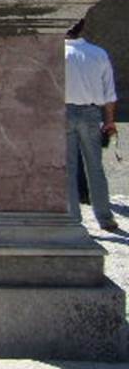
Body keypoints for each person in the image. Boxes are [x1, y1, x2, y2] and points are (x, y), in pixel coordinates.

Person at [65, 20, 119, 232]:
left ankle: (73, 218)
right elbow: (109, 93)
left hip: (64, 112)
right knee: (95, 167)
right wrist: (109, 121)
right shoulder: (98, 53)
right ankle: (104, 217)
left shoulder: (56, 54)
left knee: (68, 168)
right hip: (91, 112)